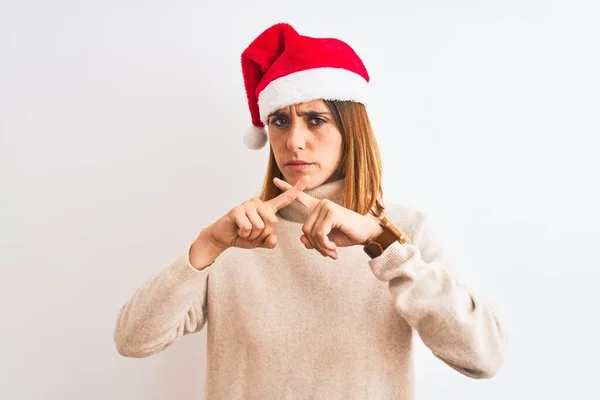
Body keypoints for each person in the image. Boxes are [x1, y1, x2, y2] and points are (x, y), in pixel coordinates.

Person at [113, 22, 506, 399]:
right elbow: (133, 340)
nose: (294, 141)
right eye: (280, 121)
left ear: (351, 131)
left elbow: (483, 357)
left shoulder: (402, 230)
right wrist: (207, 245)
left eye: (316, 120)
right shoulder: (240, 237)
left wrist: (380, 242)